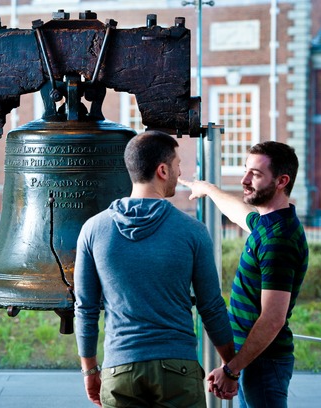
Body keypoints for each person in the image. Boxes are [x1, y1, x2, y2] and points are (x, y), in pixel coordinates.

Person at [74, 130, 237, 407]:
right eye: (177, 165)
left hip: (120, 368)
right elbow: (211, 306)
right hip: (178, 370)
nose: (179, 171)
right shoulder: (192, 231)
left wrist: (90, 370)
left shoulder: (93, 229)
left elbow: (86, 308)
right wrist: (230, 367)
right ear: (162, 170)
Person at [179, 141, 309, 408]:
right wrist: (207, 189)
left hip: (262, 362)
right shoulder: (267, 222)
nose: (245, 180)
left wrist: (231, 370)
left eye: (256, 174)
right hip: (254, 360)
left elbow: (273, 318)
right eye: (246, 170)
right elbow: (240, 213)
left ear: (282, 181)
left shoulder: (278, 240)